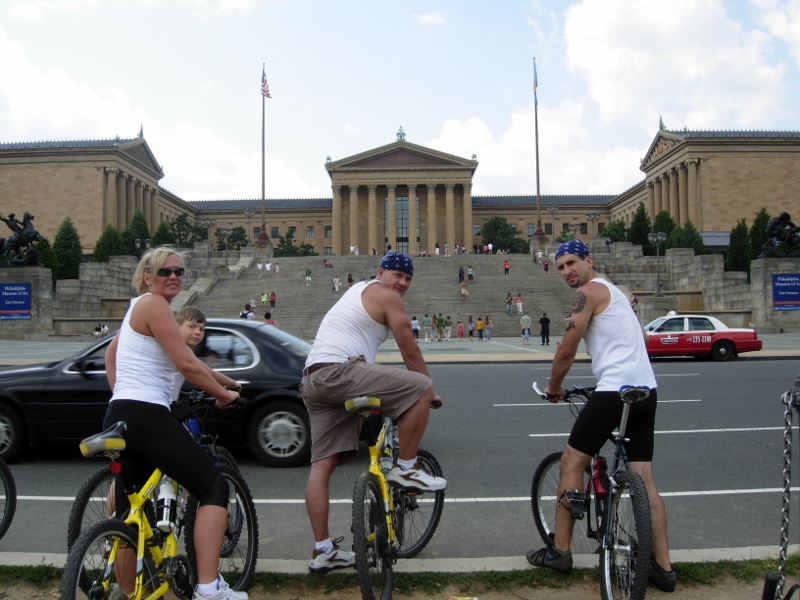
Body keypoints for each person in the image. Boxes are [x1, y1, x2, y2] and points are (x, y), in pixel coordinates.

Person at [526, 239, 675, 593]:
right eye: (560, 266)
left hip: (613, 391)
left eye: (571, 263)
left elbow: (566, 347)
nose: (566, 271)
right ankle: (663, 568)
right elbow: (641, 338)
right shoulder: (617, 294)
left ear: (588, 261)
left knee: (572, 460)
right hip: (646, 391)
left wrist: (554, 387)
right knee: (645, 480)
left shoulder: (588, 293)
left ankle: (560, 551)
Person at [104, 247, 246, 600]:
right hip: (147, 415)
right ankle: (209, 589)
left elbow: (112, 355)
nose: (174, 276)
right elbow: (186, 364)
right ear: (148, 277)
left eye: (179, 271)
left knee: (128, 516)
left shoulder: (138, 309)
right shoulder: (154, 305)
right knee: (213, 488)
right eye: (165, 271)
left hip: (121, 414)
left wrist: (225, 383)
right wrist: (223, 395)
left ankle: (127, 592)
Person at [300, 251, 446, 574]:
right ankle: (406, 468)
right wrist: (429, 391)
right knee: (419, 387)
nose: (403, 283)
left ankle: (323, 550)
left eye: (408, 279)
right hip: (340, 372)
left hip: (313, 378)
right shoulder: (387, 296)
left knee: (322, 465)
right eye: (398, 275)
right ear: (381, 272)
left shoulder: (357, 292)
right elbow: (410, 349)